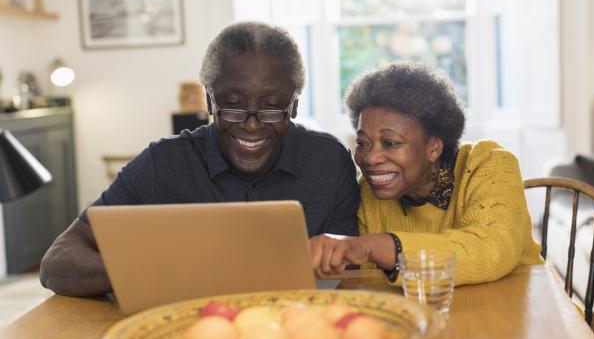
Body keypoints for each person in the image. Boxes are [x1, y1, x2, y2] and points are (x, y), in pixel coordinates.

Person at [40, 22, 359, 296]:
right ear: (209, 99)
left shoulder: (329, 162)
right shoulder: (162, 163)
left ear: (294, 105)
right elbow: (57, 262)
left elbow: (352, 272)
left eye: (272, 106)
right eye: (232, 105)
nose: (251, 124)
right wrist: (153, 274)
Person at [309, 62, 542, 285]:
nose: (369, 158)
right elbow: (374, 284)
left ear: (434, 147)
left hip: (526, 310)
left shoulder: (489, 162)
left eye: (390, 142)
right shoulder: (369, 193)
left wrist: (371, 246)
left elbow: (490, 249)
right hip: (436, 317)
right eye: (363, 143)